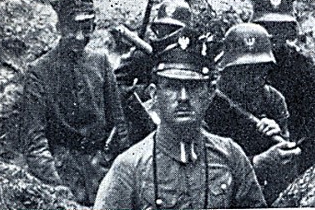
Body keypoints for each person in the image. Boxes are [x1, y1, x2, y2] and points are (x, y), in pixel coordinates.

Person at [95, 47, 266, 209]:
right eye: (172, 87)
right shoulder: (130, 167)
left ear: (210, 93)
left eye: (193, 87)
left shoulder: (230, 155)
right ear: (154, 94)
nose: (183, 97)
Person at [21, 0, 129, 206]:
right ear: (59, 28)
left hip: (103, 171)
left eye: (86, 29)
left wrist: (116, 169)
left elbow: (119, 125)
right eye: (72, 29)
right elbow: (34, 142)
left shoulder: (101, 62)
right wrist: (57, 189)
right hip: (62, 174)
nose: (80, 37)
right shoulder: (39, 71)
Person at [205, 23, 301, 204]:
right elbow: (206, 173)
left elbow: (289, 162)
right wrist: (258, 163)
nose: (256, 78)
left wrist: (279, 136)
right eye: (246, 71)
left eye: (261, 70)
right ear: (228, 70)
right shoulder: (208, 103)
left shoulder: (273, 99)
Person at [250, 0, 315, 173]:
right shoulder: (241, 66)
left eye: (279, 26)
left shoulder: (303, 68)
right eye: (265, 26)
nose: (272, 34)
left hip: (293, 160)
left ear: (289, 30)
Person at [115, 0, 203, 145]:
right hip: (145, 126)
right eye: (163, 28)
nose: (167, 34)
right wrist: (144, 94)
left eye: (174, 30)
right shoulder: (141, 54)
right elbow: (115, 85)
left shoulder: (194, 56)